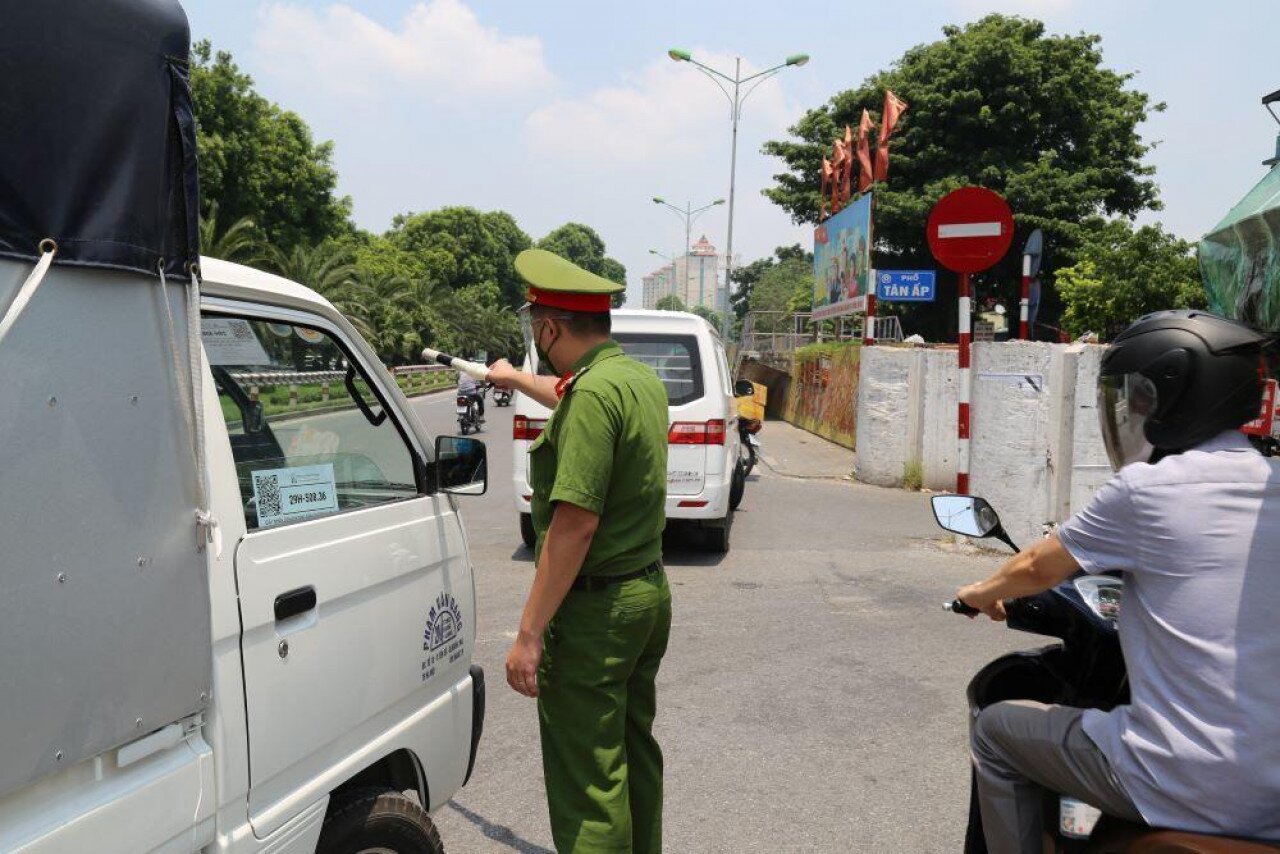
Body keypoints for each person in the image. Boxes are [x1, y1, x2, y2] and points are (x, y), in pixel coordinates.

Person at [955, 310, 1279, 852]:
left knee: (995, 731)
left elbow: (1038, 566)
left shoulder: (1148, 492)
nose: (1130, 413)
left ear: (1175, 402)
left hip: (1186, 781)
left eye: (1138, 399)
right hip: (1270, 794)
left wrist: (981, 594)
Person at [486, 248, 673, 854]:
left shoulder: (592, 396)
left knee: (588, 780)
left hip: (597, 616)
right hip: (644, 598)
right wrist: (514, 378)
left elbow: (574, 527)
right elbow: (568, 392)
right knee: (630, 752)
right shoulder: (633, 378)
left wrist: (529, 634)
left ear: (548, 328)